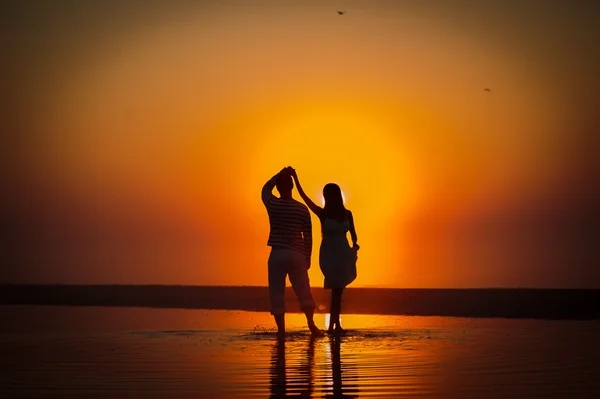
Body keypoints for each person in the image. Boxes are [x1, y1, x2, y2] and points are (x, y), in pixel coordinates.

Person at [289, 167, 359, 335]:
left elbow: (355, 236)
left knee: (338, 292)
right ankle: (333, 327)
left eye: (332, 194)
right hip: (329, 256)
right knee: (335, 291)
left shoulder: (347, 214)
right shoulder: (323, 214)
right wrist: (296, 178)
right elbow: (305, 198)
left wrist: (354, 248)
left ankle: (334, 326)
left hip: (343, 254)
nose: (330, 197)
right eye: (328, 194)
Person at [262, 167, 323, 338]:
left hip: (277, 253)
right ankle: (311, 324)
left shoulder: (273, 204)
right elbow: (308, 236)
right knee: (304, 291)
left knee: (277, 293)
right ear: (292, 187)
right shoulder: (302, 209)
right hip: (297, 255)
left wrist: (279, 173)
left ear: (279, 188)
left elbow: (265, 190)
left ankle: (281, 331)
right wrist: (308, 257)